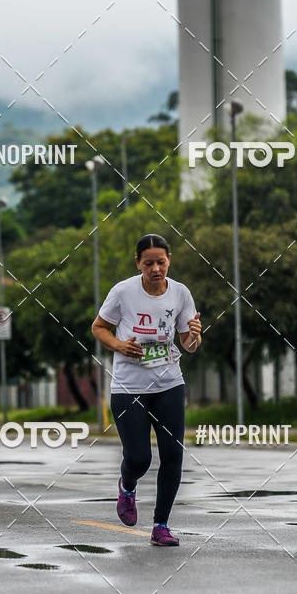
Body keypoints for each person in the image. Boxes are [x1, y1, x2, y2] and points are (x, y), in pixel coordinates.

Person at [92, 233, 202, 547]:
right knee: (139, 458)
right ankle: (127, 487)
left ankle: (161, 525)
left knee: (172, 456)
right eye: (149, 263)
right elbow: (99, 327)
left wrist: (195, 334)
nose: (156, 268)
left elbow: (188, 345)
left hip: (168, 384)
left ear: (169, 260)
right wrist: (119, 345)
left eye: (161, 262)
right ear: (138, 263)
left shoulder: (180, 293)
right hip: (129, 387)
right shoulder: (123, 292)